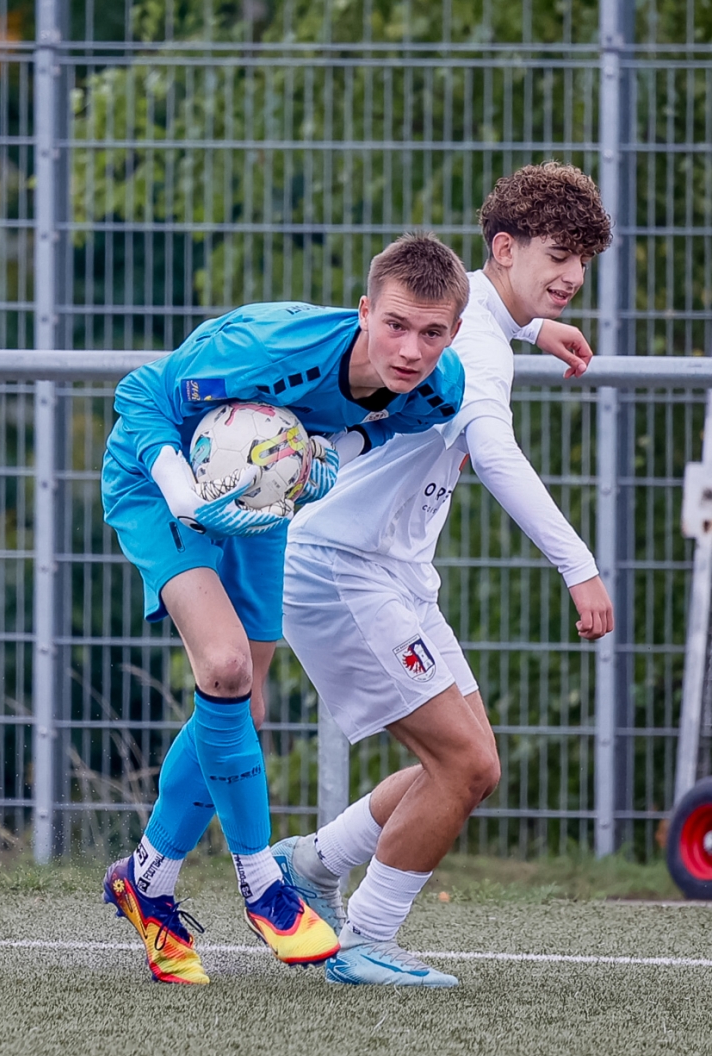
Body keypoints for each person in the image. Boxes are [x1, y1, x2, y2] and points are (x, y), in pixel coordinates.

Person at [274, 162, 615, 986]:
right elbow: (493, 453)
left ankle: (309, 865)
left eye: (581, 260)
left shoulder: (473, 320)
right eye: (557, 256)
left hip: (384, 571)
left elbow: (478, 316)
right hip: (339, 567)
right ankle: (364, 940)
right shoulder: (475, 346)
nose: (572, 275)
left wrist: (536, 328)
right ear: (504, 248)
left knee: (469, 767)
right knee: (460, 765)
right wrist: (579, 568)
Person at [101, 232, 471, 984]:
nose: (411, 349)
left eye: (432, 333)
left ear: (453, 332)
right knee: (225, 666)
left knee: (245, 707)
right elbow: (141, 393)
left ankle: (147, 880)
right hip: (162, 482)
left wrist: (336, 452)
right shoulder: (267, 349)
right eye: (395, 325)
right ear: (364, 311)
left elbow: (378, 424)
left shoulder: (438, 388)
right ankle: (264, 885)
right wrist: (184, 495)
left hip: (265, 499)